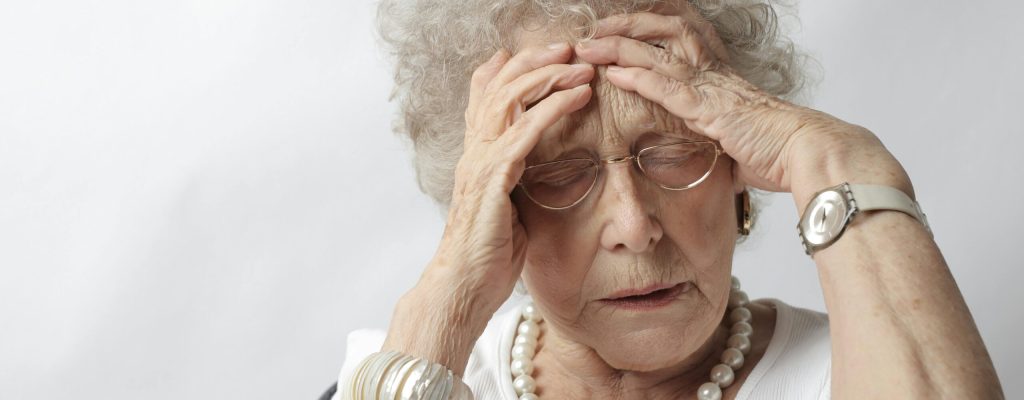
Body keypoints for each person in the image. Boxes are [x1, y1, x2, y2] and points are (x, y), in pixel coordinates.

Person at [324, 1, 1003, 399]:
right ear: (497, 210)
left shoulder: (857, 367)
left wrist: (840, 160)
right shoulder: (414, 375)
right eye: (562, 172)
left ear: (741, 164)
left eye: (674, 154)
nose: (633, 225)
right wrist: (448, 298)